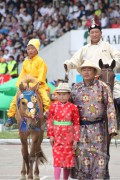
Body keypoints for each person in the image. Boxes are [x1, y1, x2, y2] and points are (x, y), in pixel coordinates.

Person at [70, 60, 117, 179]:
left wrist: (112, 127)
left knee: (99, 159)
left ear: (95, 71)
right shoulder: (76, 88)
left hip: (99, 129)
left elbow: (110, 107)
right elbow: (69, 108)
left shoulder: (103, 87)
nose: (86, 72)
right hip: (80, 129)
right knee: (81, 158)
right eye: (84, 69)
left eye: (89, 69)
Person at [64, 18, 120, 99]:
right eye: (92, 32)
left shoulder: (107, 45)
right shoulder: (84, 49)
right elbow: (75, 60)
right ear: (89, 34)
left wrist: (109, 65)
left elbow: (118, 56)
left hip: (108, 79)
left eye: (96, 32)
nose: (94, 34)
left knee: (118, 96)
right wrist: (68, 64)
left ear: (101, 33)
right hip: (90, 80)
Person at [5, 38, 50, 127]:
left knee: (45, 98)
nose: (30, 50)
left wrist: (38, 83)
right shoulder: (25, 62)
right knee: (15, 98)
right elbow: (22, 74)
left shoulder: (40, 61)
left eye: (32, 48)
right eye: (28, 48)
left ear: (37, 49)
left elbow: (42, 72)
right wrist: (20, 84)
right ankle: (11, 117)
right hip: (26, 85)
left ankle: (47, 116)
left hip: (38, 84)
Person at [47, 82, 80, 180]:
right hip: (57, 137)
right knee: (57, 160)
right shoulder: (53, 106)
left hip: (69, 138)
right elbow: (50, 121)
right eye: (59, 94)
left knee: (67, 161)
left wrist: (75, 140)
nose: (61, 97)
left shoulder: (73, 107)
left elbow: (76, 124)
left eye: (64, 94)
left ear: (69, 95)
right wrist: (51, 135)